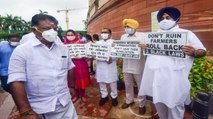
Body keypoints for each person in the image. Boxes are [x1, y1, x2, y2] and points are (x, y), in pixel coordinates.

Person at [138, 7, 206, 119]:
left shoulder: (187, 34)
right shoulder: (152, 36)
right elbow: (146, 49)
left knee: (175, 106)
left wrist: (194, 52)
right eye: (162, 18)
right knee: (159, 103)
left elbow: (202, 51)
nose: (164, 20)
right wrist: (143, 47)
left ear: (176, 19)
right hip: (157, 79)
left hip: (175, 81)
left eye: (168, 17)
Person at [7, 14, 78, 119]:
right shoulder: (22, 51)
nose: (52, 32)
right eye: (47, 28)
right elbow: (16, 81)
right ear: (34, 30)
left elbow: (69, 67)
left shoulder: (63, 48)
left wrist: (72, 86)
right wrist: (26, 111)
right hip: (40, 108)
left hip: (65, 102)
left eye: (55, 29)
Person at [120, 19, 146, 115]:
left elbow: (147, 50)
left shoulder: (142, 36)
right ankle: (129, 100)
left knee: (141, 86)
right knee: (127, 84)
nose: (127, 28)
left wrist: (144, 47)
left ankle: (141, 104)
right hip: (126, 65)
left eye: (129, 27)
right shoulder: (123, 36)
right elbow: (121, 49)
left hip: (138, 66)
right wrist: (116, 48)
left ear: (134, 27)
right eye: (125, 27)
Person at [64, 29, 90, 103]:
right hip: (69, 65)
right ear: (66, 36)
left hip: (80, 64)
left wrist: (85, 56)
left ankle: (82, 95)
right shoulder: (64, 45)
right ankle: (75, 95)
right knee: (72, 80)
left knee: (81, 80)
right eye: (68, 35)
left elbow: (86, 54)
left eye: (72, 35)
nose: (70, 36)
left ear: (75, 35)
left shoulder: (81, 43)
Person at [96, 28, 118, 106]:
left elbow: (117, 53)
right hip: (100, 65)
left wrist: (112, 58)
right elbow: (94, 53)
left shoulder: (114, 43)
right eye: (102, 32)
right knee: (101, 82)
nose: (103, 34)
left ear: (110, 34)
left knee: (113, 82)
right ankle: (104, 96)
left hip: (110, 65)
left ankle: (114, 97)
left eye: (105, 32)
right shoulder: (97, 43)